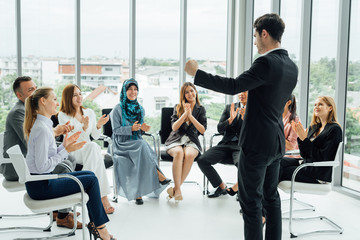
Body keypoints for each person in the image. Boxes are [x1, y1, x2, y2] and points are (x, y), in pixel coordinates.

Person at [185, 13, 297, 240]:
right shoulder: (291, 66)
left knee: (251, 203)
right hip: (275, 143)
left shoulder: (266, 62)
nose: (255, 41)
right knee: (271, 198)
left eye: (255, 36)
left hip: (256, 144)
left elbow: (234, 85)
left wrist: (196, 74)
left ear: (264, 33)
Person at [23, 87, 115, 240]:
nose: (57, 103)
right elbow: (43, 167)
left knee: (90, 175)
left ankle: (96, 224)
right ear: (43, 101)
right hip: (41, 186)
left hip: (42, 182)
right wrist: (66, 150)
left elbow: (47, 158)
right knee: (91, 180)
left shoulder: (44, 126)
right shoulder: (42, 130)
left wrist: (64, 146)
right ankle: (101, 228)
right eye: (54, 99)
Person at [1, 76, 79, 229]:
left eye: (35, 87)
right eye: (30, 90)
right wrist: (55, 133)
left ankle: (58, 208)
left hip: (29, 159)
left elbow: (42, 139)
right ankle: (63, 216)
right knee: (64, 165)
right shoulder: (18, 112)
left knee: (69, 157)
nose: (36, 91)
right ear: (19, 95)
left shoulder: (32, 111)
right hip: (17, 165)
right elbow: (30, 141)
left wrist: (59, 141)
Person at [110, 78, 170, 205]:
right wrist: (131, 128)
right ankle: (158, 176)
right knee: (142, 146)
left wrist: (143, 129)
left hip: (136, 141)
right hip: (121, 143)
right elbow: (115, 130)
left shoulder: (140, 109)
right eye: (130, 89)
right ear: (124, 91)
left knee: (141, 148)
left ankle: (138, 193)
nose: (133, 92)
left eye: (135, 89)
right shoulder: (117, 109)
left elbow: (139, 131)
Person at [58, 84, 114, 214]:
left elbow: (95, 136)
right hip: (73, 150)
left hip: (88, 149)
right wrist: (82, 127)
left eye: (80, 94)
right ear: (68, 98)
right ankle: (103, 198)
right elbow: (70, 137)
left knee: (93, 148)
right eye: (75, 95)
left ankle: (84, 189)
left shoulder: (89, 112)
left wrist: (99, 125)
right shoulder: (63, 115)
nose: (79, 97)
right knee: (94, 150)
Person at [279, 96, 342, 183]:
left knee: (278, 171)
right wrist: (301, 138)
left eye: (320, 104)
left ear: (330, 108)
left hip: (317, 172)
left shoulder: (335, 130)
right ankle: (266, 195)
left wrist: (304, 140)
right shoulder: (314, 127)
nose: (316, 107)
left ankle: (270, 196)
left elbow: (323, 157)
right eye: (315, 104)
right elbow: (304, 154)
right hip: (306, 164)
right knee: (276, 162)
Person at [197, 92, 247, 198]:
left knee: (243, 164)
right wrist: (230, 120)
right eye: (240, 91)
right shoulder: (230, 108)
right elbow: (219, 129)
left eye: (245, 92)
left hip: (241, 146)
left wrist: (246, 118)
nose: (242, 94)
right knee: (202, 160)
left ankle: (241, 189)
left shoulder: (255, 109)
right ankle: (221, 186)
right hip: (225, 144)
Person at [165, 82, 207, 201]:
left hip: (192, 140)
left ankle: (175, 189)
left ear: (196, 92)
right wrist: (184, 114)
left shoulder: (201, 109)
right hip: (176, 139)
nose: (190, 94)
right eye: (186, 92)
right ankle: (178, 190)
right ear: (183, 95)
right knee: (179, 153)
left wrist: (191, 116)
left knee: (189, 155)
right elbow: (174, 127)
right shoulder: (177, 107)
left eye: (192, 90)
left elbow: (202, 130)